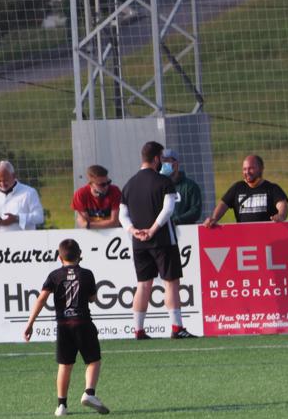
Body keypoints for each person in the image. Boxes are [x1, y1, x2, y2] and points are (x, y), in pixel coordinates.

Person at [119, 141, 197, 339]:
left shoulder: (129, 184)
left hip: (139, 242)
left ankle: (138, 329)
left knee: (143, 284)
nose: (164, 162)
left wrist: (133, 231)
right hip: (163, 239)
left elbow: (122, 215)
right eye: (162, 158)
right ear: (156, 159)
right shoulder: (164, 182)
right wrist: (153, 230)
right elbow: (168, 209)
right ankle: (177, 327)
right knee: (171, 282)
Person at [23, 238, 109, 417]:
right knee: (93, 360)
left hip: (63, 326)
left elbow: (41, 298)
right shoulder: (87, 274)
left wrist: (30, 323)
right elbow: (92, 299)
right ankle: (89, 393)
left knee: (65, 365)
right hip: (83, 323)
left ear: (59, 257)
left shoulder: (54, 276)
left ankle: (61, 405)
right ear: (80, 255)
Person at [202, 153, 288, 227]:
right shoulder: (237, 188)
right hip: (244, 237)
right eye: (244, 169)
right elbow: (223, 204)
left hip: (268, 236)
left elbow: (282, 205)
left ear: (261, 169)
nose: (247, 172)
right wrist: (214, 218)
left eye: (251, 168)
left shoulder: (272, 188)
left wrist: (281, 216)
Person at [0, 161, 45, 232]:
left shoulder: (29, 193)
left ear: (14, 176)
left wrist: (17, 218)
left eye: (6, 180)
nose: (3, 184)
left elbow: (39, 217)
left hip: (22, 238)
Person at [159, 148, 203, 225]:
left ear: (176, 163)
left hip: (185, 230)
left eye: (167, 161)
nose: (163, 165)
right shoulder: (158, 187)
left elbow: (195, 211)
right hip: (162, 229)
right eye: (162, 162)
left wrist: (176, 220)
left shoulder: (190, 186)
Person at [71, 165, 122, 229]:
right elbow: (84, 221)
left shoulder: (114, 191)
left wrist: (89, 225)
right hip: (92, 232)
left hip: (113, 231)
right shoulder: (81, 194)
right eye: (102, 184)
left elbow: (115, 222)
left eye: (108, 182)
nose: (106, 186)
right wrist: (87, 224)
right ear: (90, 184)